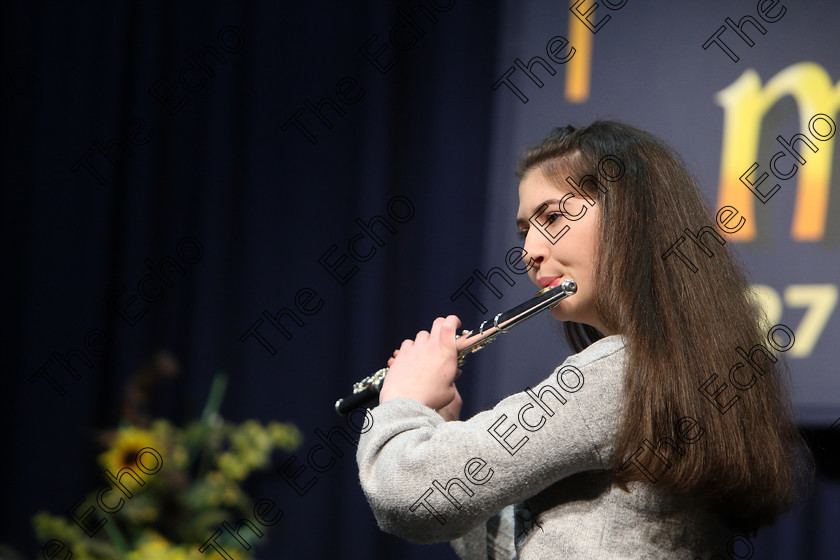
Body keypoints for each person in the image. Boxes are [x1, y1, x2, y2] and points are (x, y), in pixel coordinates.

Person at [355, 121, 809, 559]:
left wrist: (402, 402)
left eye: (552, 217)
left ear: (629, 217)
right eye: (524, 230)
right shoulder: (675, 366)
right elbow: (521, 544)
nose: (530, 251)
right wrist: (440, 425)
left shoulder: (617, 374)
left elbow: (414, 499)